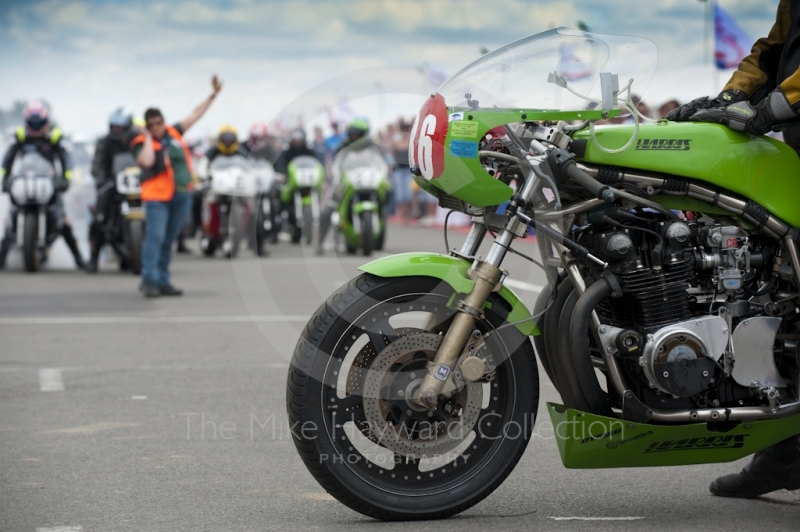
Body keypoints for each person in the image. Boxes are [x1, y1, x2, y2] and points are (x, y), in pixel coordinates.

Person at [668, 0, 800, 499]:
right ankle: (787, 453)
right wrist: (725, 101)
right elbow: (768, 54)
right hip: (794, 150)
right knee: (778, 294)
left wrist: (767, 109)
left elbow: (784, 85)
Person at [132, 75, 222, 297]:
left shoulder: (174, 133)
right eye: (150, 125)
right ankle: (149, 279)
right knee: (155, 237)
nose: (156, 127)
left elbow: (195, 114)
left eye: (158, 123)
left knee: (169, 239)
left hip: (181, 194)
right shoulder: (142, 144)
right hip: (157, 198)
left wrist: (213, 95)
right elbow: (148, 162)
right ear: (146, 126)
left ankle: (163, 279)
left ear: (164, 122)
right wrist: (146, 139)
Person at [0, 100, 85, 270]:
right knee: (11, 217)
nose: (36, 127)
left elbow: (66, 159)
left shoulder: (54, 136)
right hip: (24, 182)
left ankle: (79, 259)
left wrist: (65, 178)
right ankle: (2, 258)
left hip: (50, 183)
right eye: (33, 123)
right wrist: (5, 178)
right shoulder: (20, 136)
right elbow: (7, 159)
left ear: (46, 122)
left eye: (39, 123)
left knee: (63, 220)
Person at [86, 107, 137, 272]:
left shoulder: (136, 141)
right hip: (112, 184)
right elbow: (97, 163)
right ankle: (93, 257)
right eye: (114, 127)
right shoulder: (104, 142)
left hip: (134, 184)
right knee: (100, 218)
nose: (116, 130)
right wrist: (100, 177)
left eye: (120, 127)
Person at [273, 128, 318, 243]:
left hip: (306, 181)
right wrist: (282, 175)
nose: (297, 142)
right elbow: (280, 164)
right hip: (291, 182)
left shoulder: (309, 150)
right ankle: (275, 228)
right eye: (296, 140)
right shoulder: (286, 151)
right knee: (279, 201)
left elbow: (316, 163)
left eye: (300, 140)